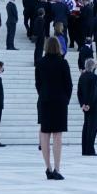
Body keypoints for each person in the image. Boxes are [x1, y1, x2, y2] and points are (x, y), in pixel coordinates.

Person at [36, 37, 73, 180]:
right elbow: (68, 84)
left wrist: (44, 95)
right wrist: (66, 99)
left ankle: (48, 168)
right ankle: (57, 168)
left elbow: (38, 84)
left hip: (45, 100)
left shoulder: (40, 63)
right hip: (59, 101)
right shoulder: (63, 63)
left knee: (45, 134)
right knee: (57, 135)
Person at [78, 59, 97, 156]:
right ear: (92, 66)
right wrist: (89, 104)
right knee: (92, 128)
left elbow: (79, 92)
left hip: (85, 106)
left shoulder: (82, 76)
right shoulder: (94, 77)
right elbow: (93, 92)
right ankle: (90, 150)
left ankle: (85, 149)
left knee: (86, 127)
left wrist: (83, 104)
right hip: (94, 106)